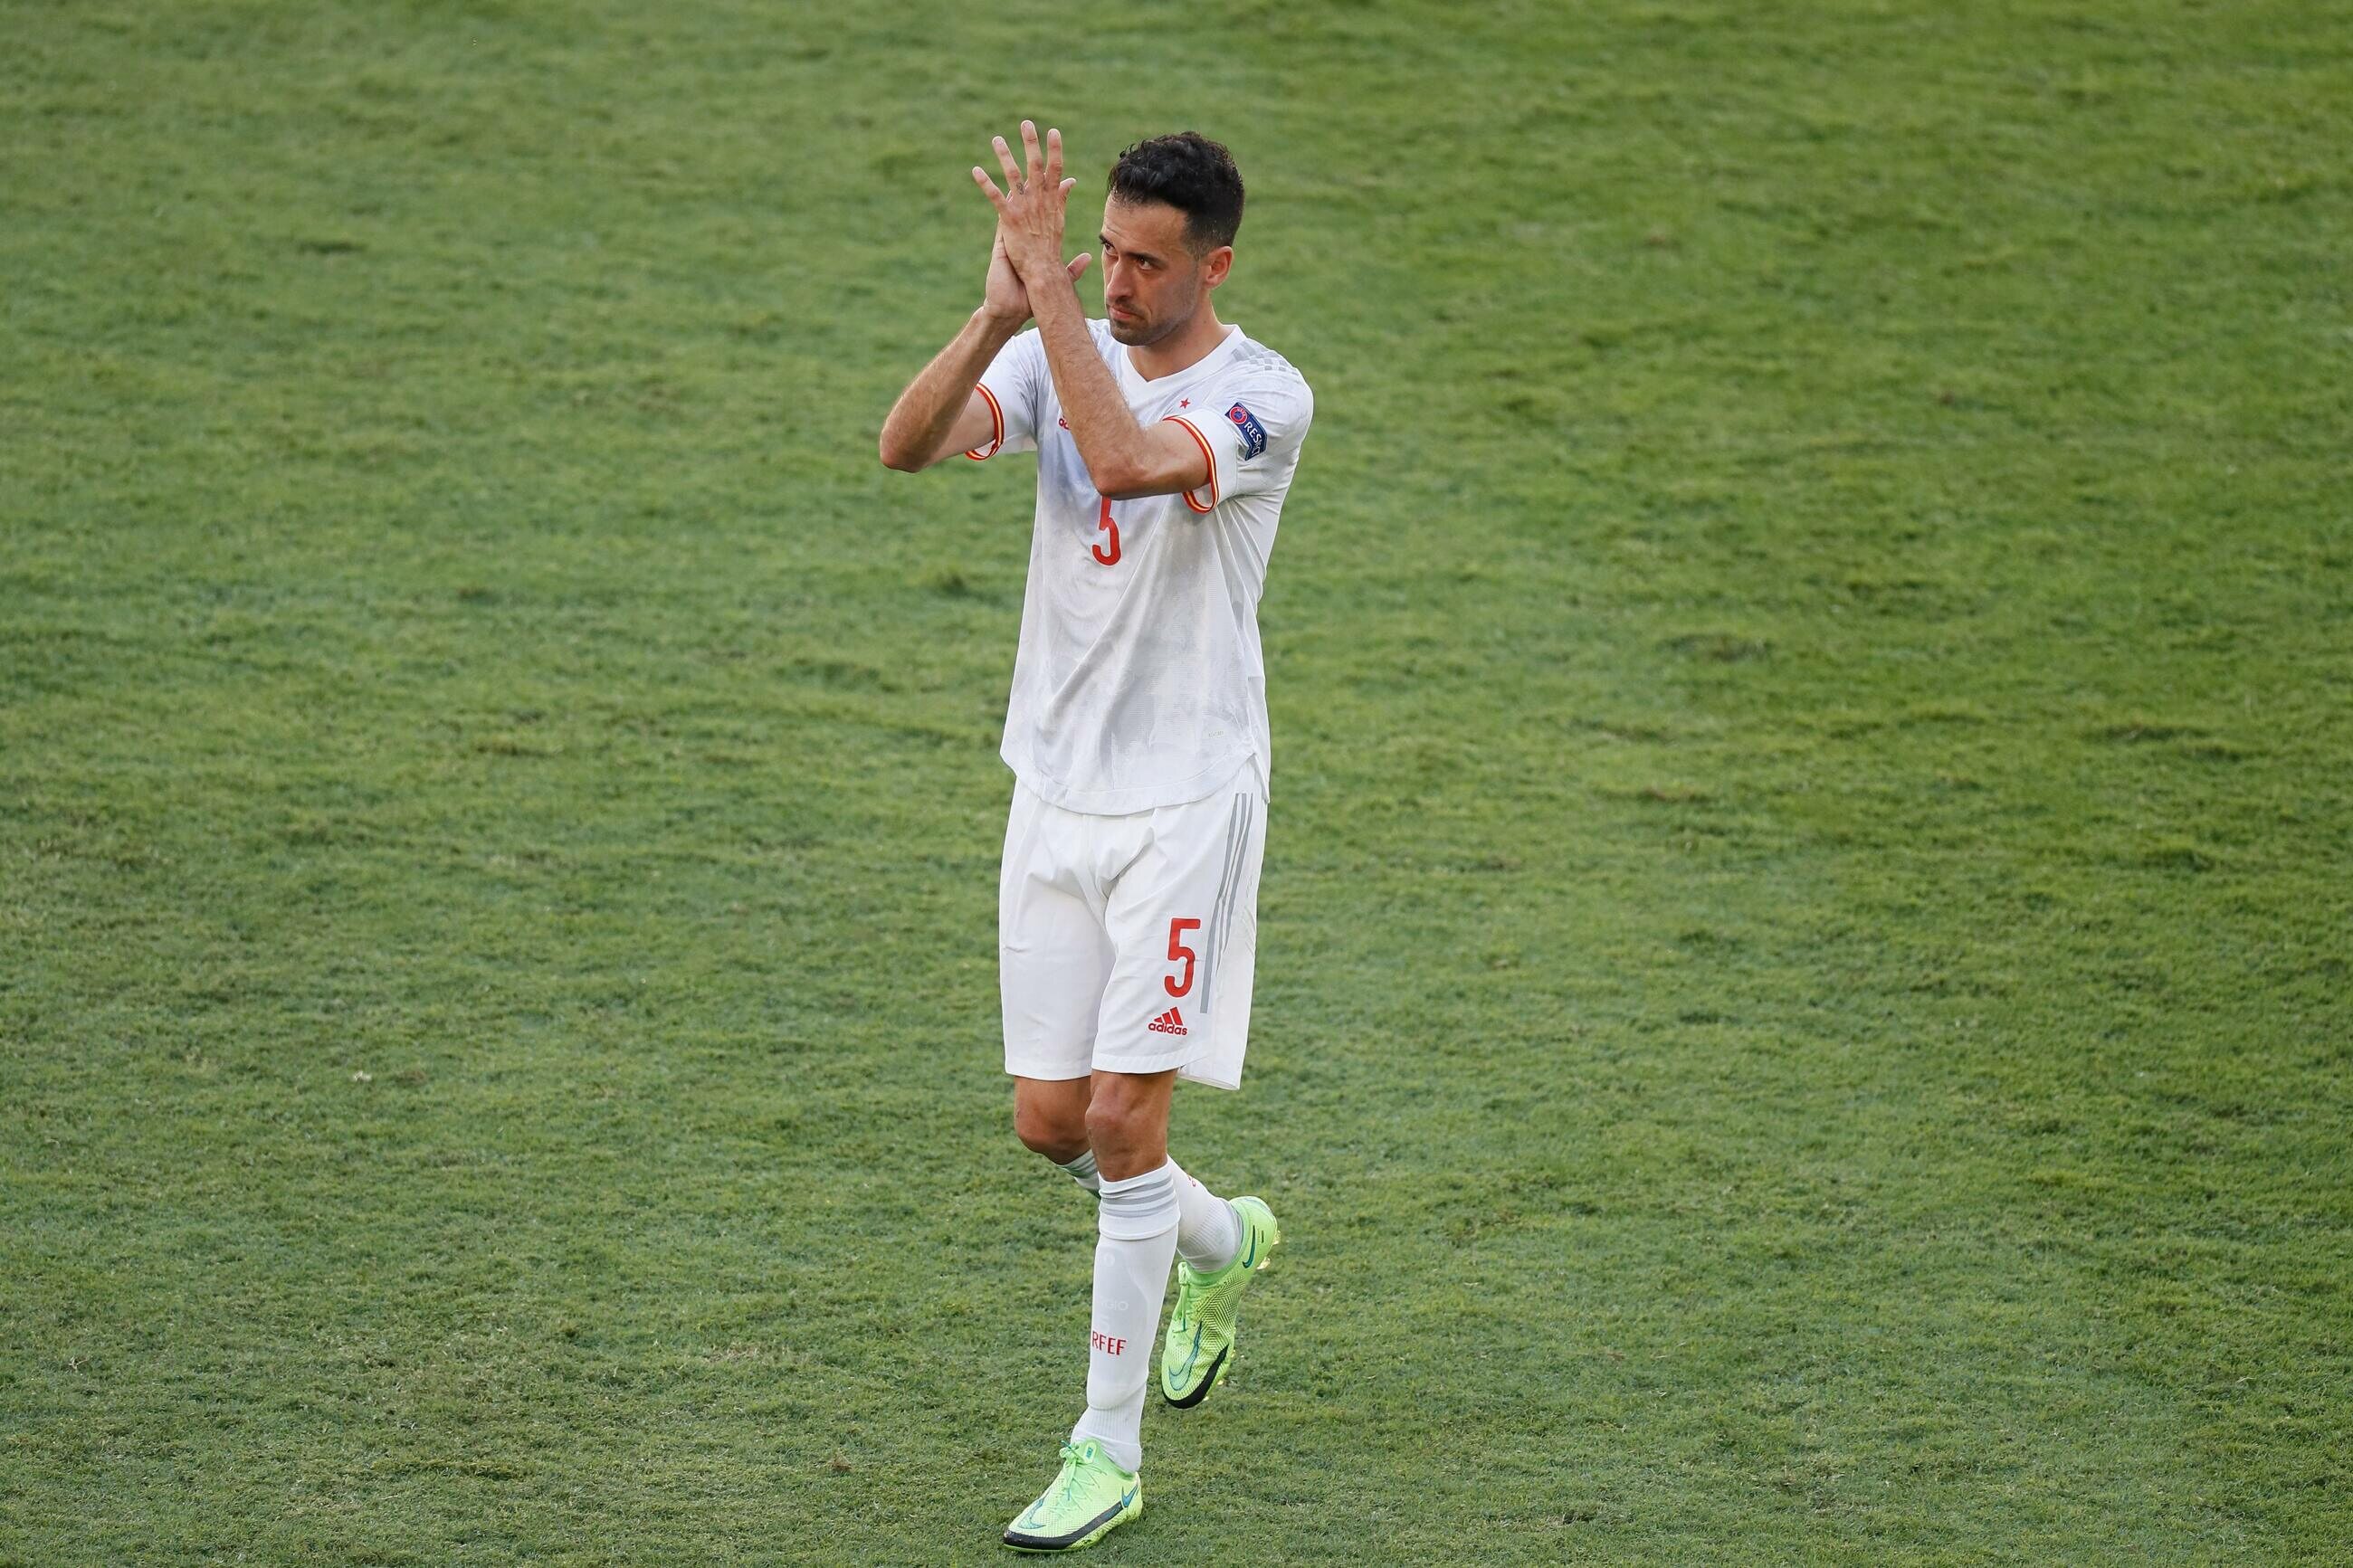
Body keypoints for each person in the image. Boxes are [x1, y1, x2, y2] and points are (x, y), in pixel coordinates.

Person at [879, 120, 1314, 1554]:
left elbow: (1126, 461)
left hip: (1187, 801)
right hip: (1054, 787)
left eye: (1144, 263)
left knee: (1128, 1119)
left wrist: (1050, 310)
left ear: (1214, 267)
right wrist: (994, 315)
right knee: (1051, 1123)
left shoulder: (1264, 398)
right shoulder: (1049, 345)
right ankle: (1222, 1241)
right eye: (1104, 254)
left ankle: (1105, 1451)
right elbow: (905, 446)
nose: (1114, 282)